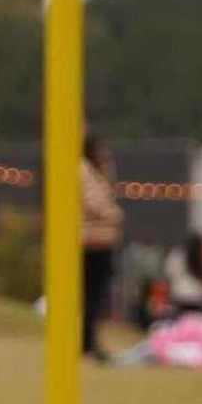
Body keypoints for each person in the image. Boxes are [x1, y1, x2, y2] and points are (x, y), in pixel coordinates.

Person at [80, 131, 122, 359]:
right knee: (90, 297)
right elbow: (95, 203)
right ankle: (86, 343)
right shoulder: (83, 171)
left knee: (96, 298)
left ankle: (89, 341)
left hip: (101, 240)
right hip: (91, 241)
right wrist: (114, 214)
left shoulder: (98, 173)